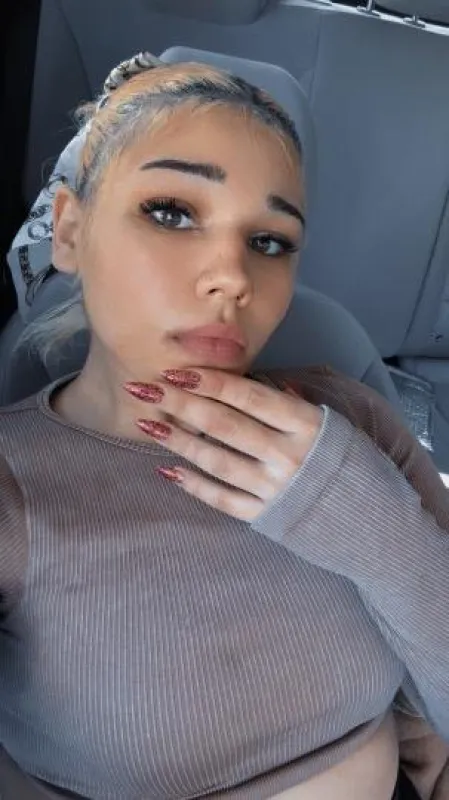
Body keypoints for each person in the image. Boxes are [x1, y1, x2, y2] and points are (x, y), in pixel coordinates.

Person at [0, 53, 448, 800]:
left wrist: (369, 525)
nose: (234, 278)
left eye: (269, 241)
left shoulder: (350, 418)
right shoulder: (13, 484)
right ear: (70, 229)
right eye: (171, 212)